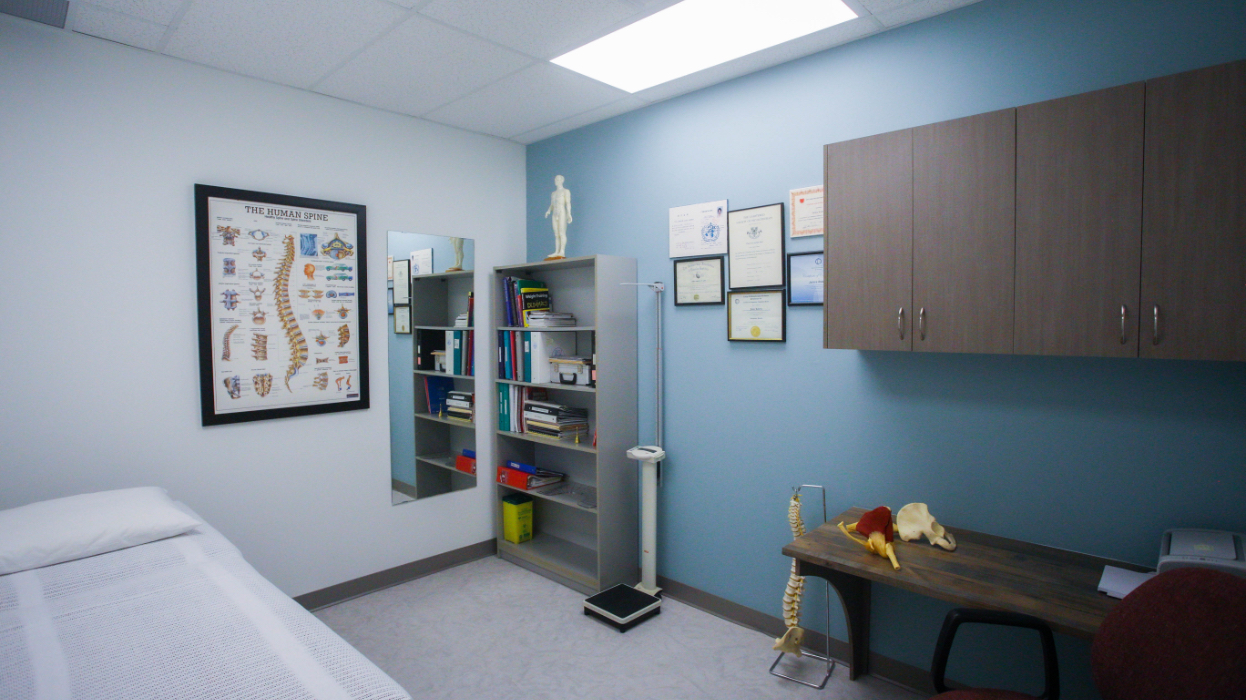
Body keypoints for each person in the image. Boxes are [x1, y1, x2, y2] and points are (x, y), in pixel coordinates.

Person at [544, 175, 571, 260]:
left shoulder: (565, 191)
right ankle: (556, 251)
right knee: (556, 234)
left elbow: (568, 203)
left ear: (562, 180)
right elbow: (552, 205)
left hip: (562, 212)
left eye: (558, 179)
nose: (556, 180)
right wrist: (548, 211)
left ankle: (562, 251)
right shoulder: (553, 193)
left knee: (562, 232)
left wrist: (569, 214)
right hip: (554, 213)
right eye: (555, 179)